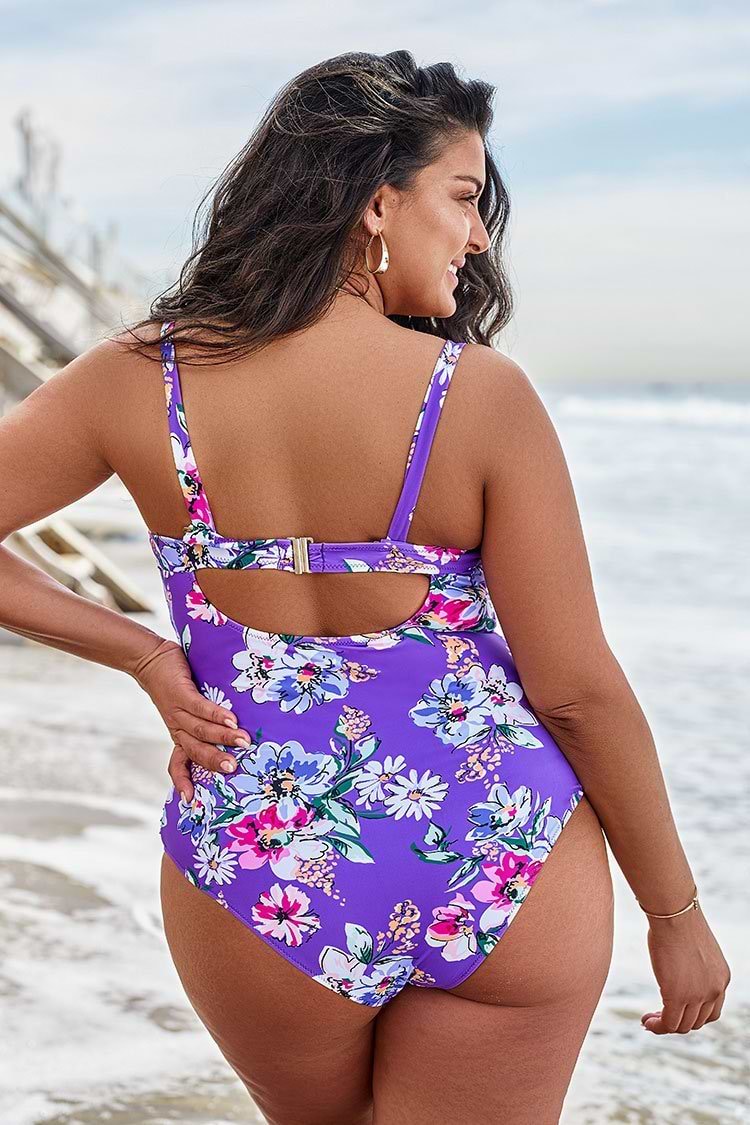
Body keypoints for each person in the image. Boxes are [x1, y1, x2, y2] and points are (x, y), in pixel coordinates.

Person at [0, 49, 730, 1125]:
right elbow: (577, 690)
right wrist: (675, 912)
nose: (479, 237)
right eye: (465, 198)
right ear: (377, 204)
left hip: (264, 866)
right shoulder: (479, 397)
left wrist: (146, 655)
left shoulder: (141, 379)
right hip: (498, 853)